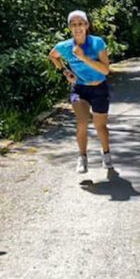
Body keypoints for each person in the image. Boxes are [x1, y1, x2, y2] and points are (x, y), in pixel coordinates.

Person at [48, 10, 112, 173]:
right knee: (82, 122)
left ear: (87, 25)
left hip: (99, 88)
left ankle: (106, 153)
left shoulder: (97, 43)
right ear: (69, 27)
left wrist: (83, 57)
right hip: (78, 90)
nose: (77, 27)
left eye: (81, 23)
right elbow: (53, 56)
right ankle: (82, 157)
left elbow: (105, 70)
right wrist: (64, 71)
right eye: (74, 24)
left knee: (100, 126)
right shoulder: (64, 46)